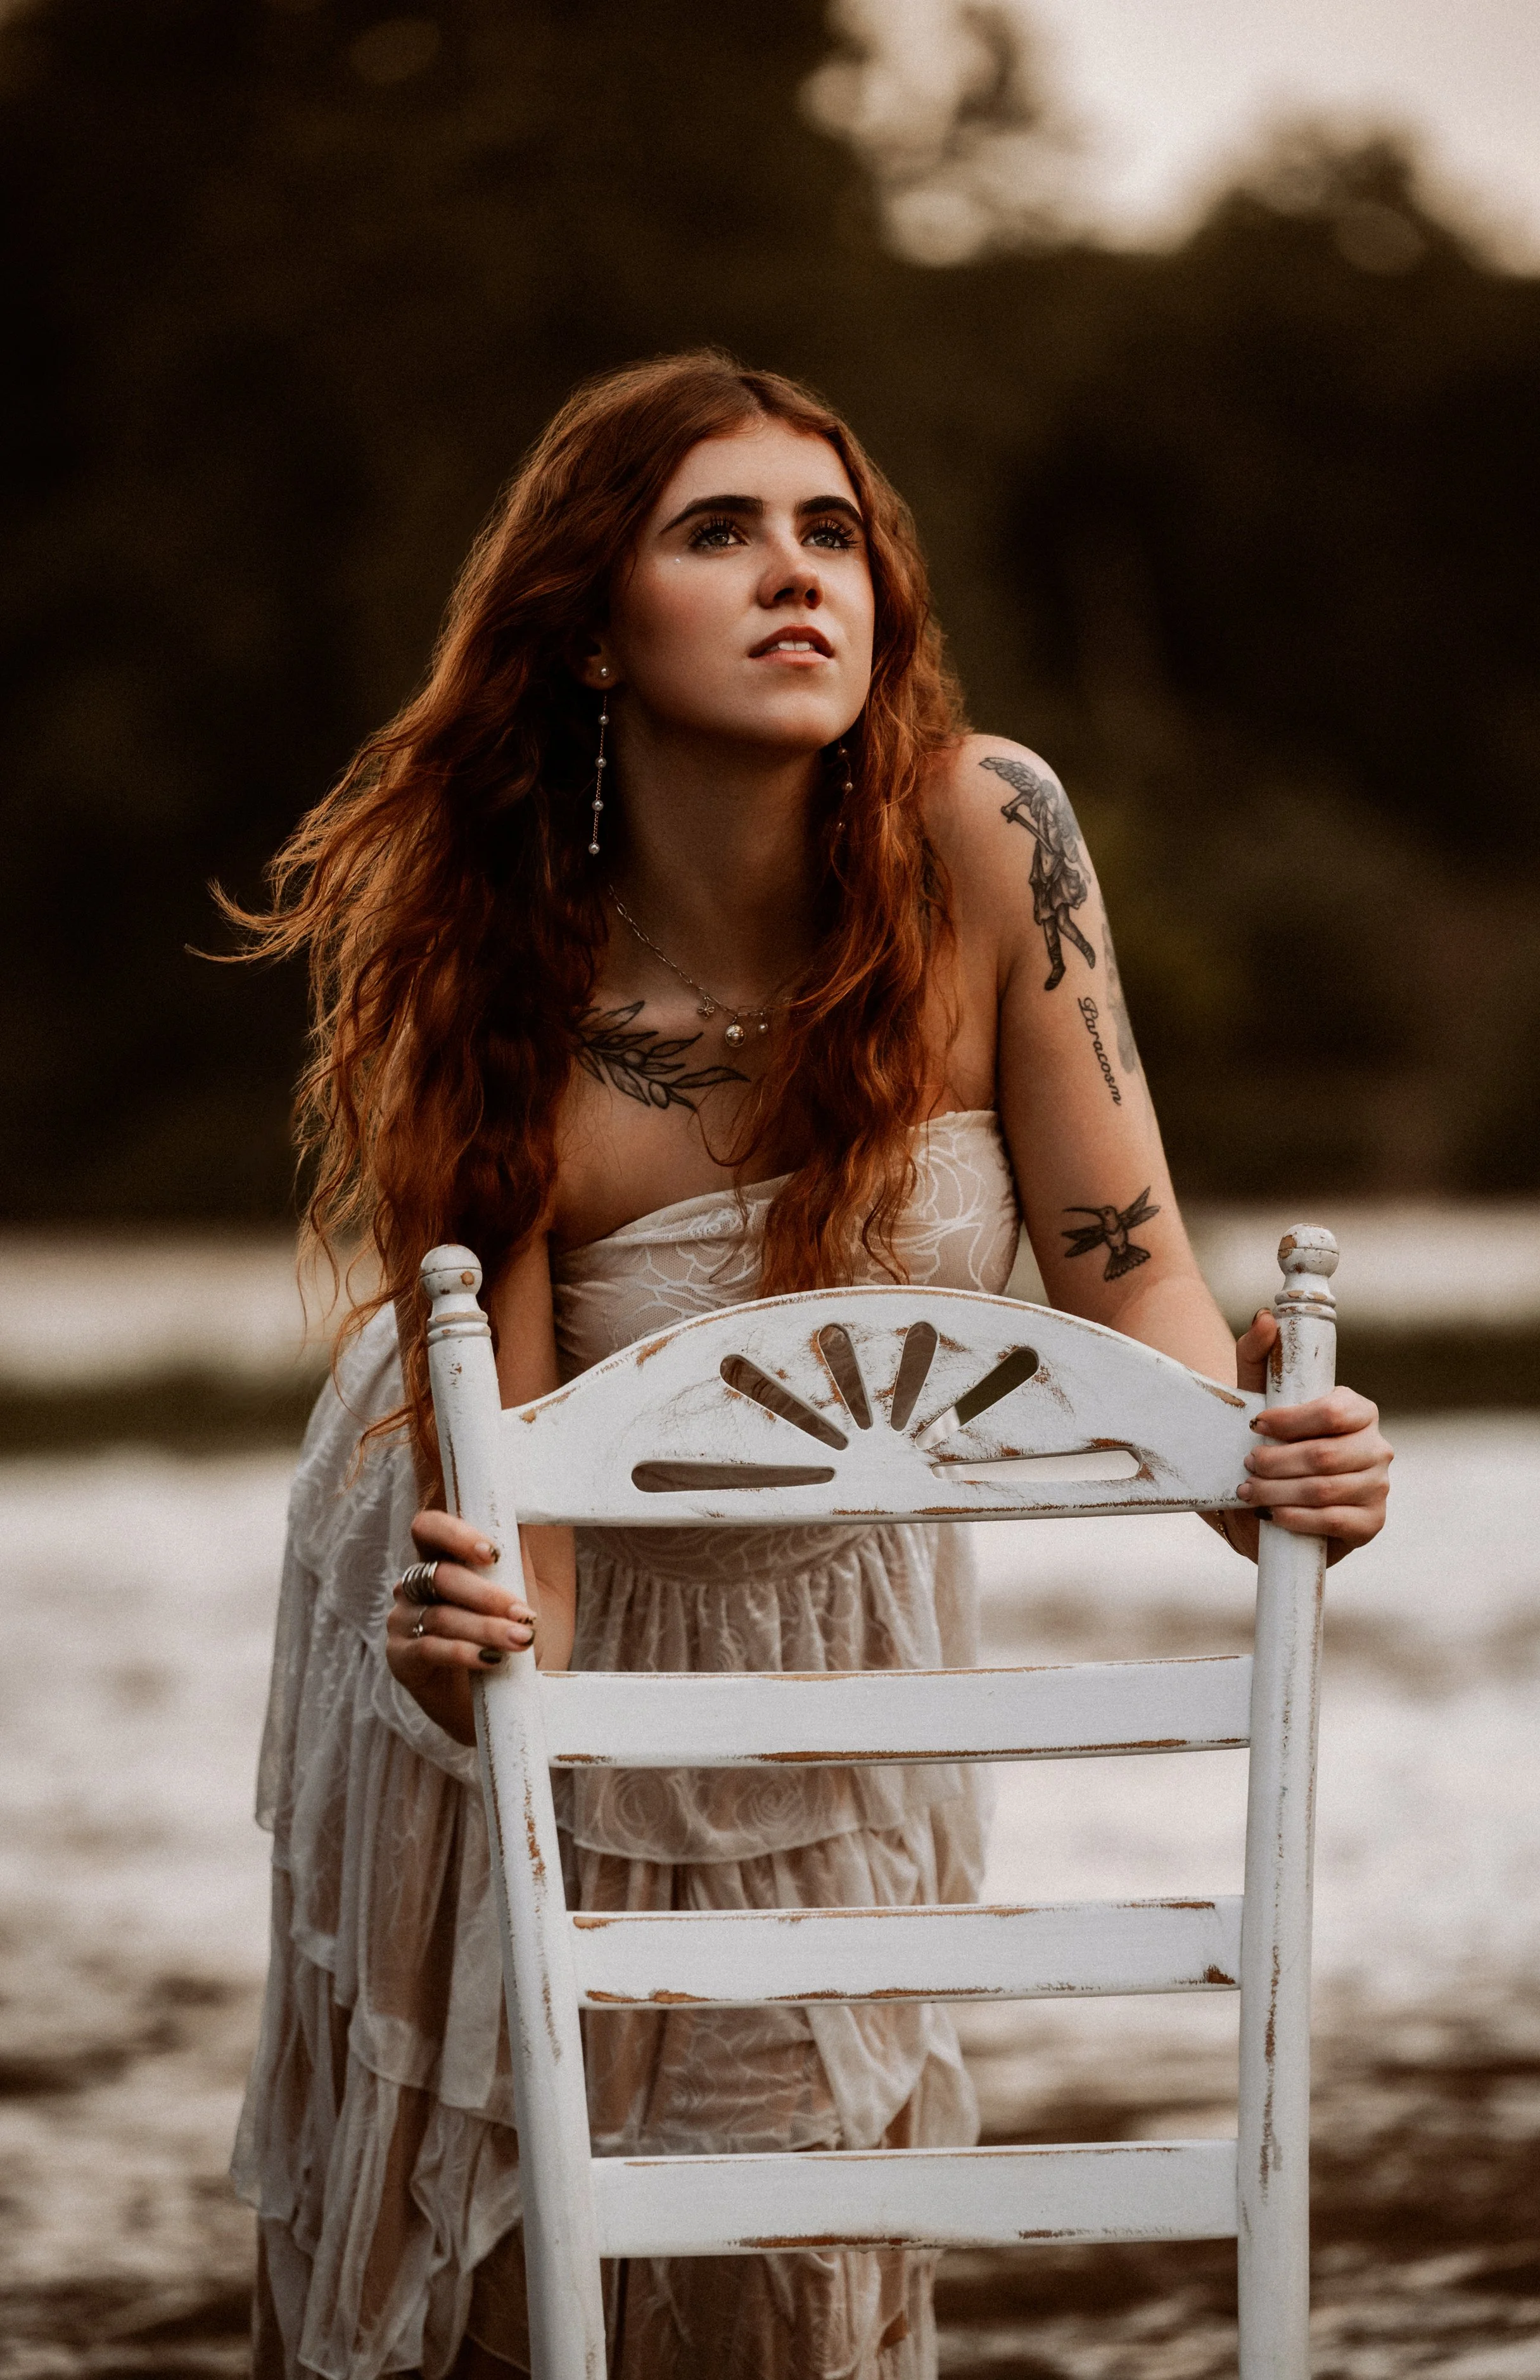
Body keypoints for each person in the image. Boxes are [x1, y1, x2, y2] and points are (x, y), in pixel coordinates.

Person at [229, 352, 1392, 2380]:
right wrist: (457, 1638)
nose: (797, 577)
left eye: (831, 531)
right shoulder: (495, 964)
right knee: (515, 2263)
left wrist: (1260, 1459)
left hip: (839, 1650)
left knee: (802, 2250)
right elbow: (511, 1528)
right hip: (523, 1635)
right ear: (591, 628)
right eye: (719, 532)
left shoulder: (986, 832)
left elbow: (1134, 1285)